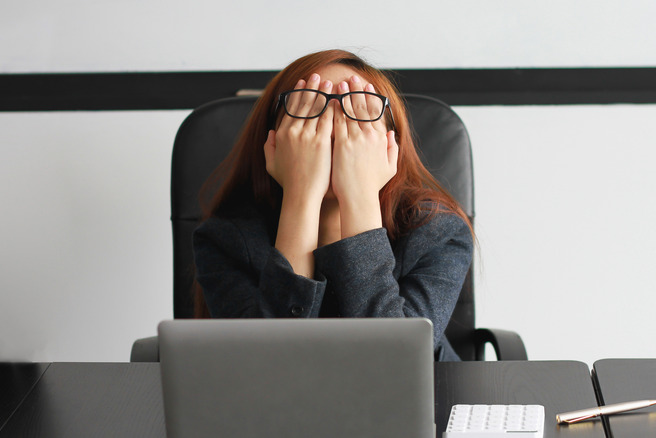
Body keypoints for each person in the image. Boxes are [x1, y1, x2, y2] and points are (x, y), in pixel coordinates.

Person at [192, 49, 473, 361]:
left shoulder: (438, 232)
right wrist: (300, 194)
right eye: (309, 109)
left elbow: (396, 362)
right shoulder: (224, 240)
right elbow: (267, 367)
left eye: (360, 112)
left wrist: (360, 196)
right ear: (274, 141)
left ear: (390, 146)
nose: (334, 131)